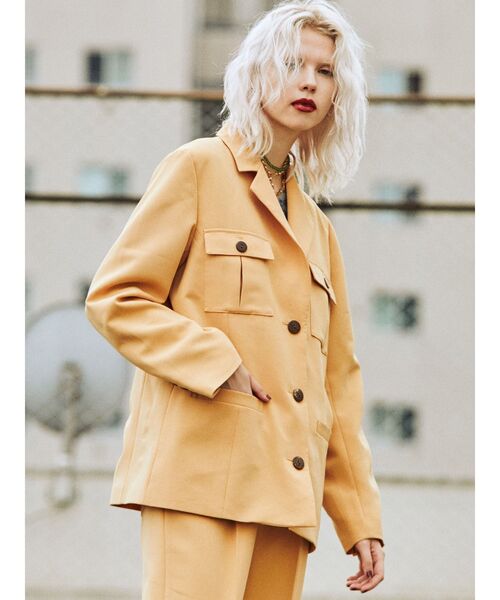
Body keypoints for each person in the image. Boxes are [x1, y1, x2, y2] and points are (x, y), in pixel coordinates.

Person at [85, 0, 385, 597]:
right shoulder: (198, 167)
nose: (309, 81)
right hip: (199, 480)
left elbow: (336, 384)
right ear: (256, 72)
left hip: (286, 496)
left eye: (325, 71)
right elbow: (117, 297)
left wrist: (359, 517)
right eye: (293, 63)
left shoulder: (318, 230)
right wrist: (218, 363)